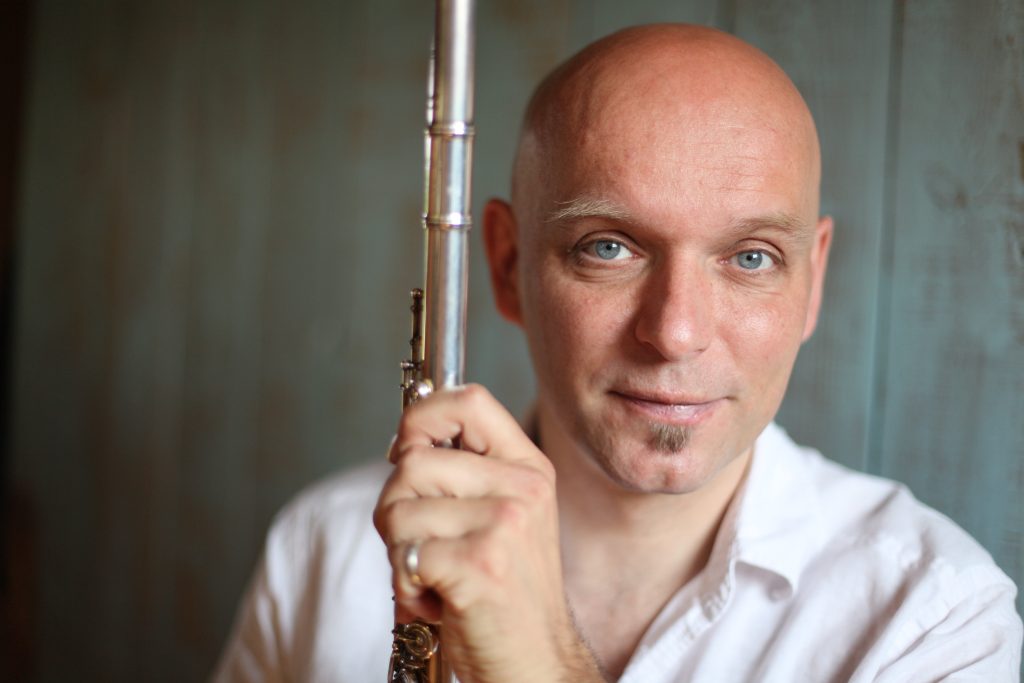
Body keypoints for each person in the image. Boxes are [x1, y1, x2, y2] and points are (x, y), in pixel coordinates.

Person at [213, 24, 1022, 682]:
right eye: (609, 247)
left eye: (750, 258)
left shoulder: (937, 618)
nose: (675, 331)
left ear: (812, 284)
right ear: (506, 264)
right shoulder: (326, 546)